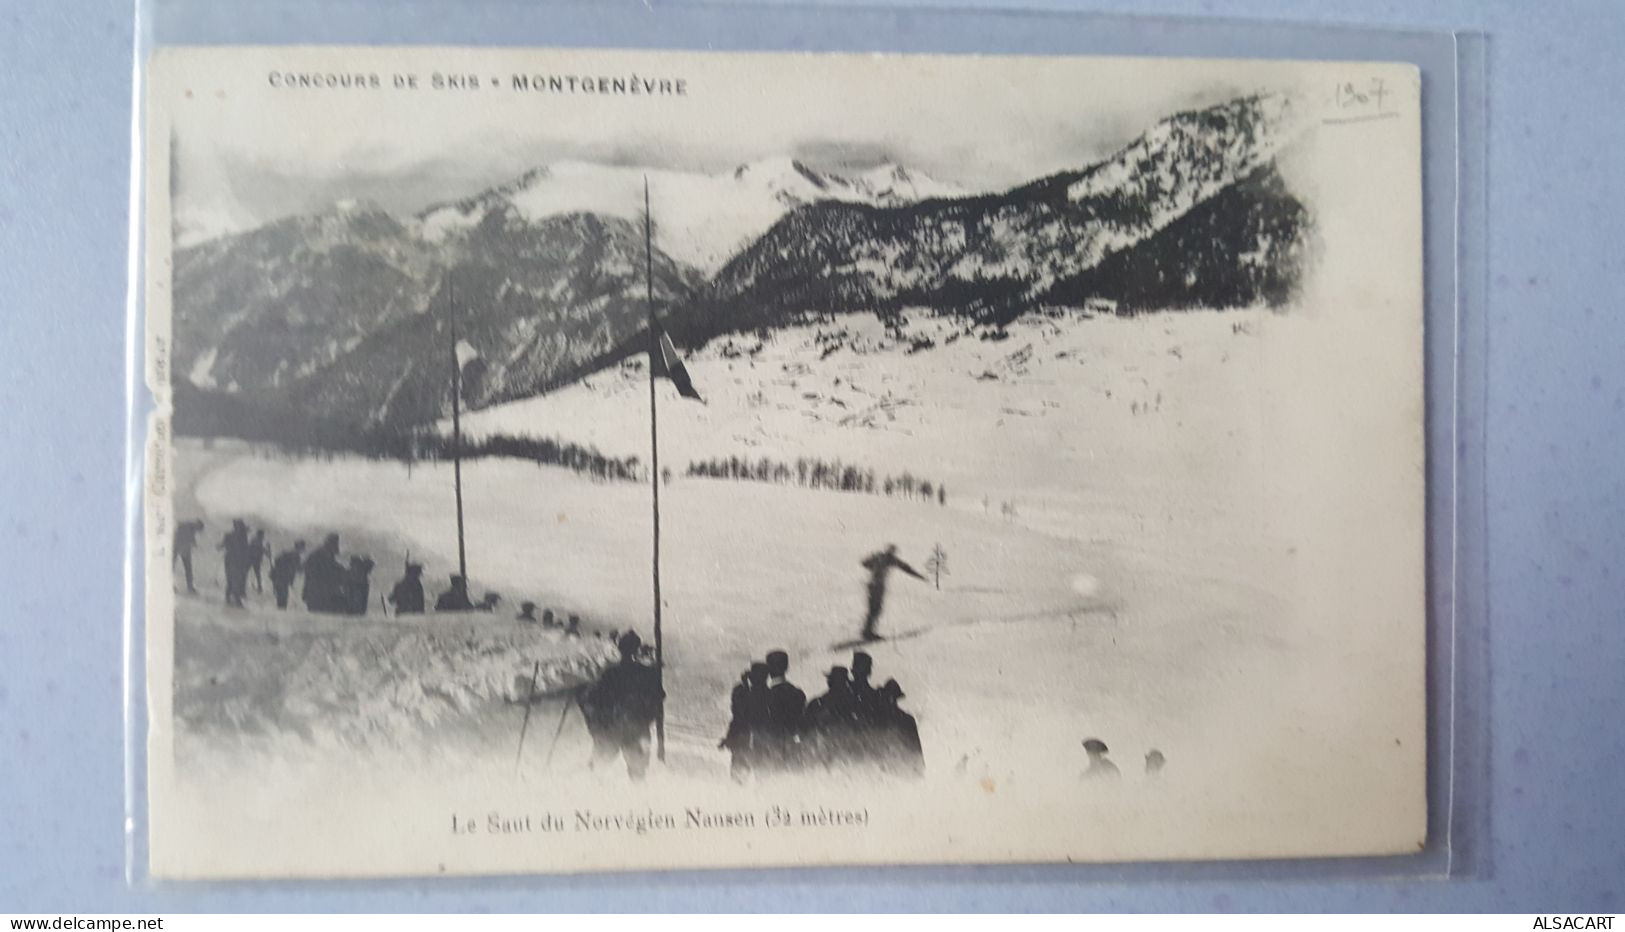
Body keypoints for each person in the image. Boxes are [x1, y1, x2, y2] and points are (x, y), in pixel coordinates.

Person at [581, 631, 664, 782]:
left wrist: (598, 723)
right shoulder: (648, 673)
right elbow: (659, 697)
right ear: (637, 650)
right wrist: (647, 718)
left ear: (619, 649)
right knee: (638, 774)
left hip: (612, 727)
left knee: (597, 770)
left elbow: (593, 700)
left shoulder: (611, 673)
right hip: (638, 727)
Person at [859, 544, 927, 641]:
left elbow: (864, 563)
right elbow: (906, 568)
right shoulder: (891, 559)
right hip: (878, 586)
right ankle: (868, 632)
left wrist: (873, 561)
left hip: (872, 585)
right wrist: (920, 576)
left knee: (874, 609)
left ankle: (867, 631)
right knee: (876, 609)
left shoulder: (880, 557)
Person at [803, 666, 862, 772]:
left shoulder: (818, 702)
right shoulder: (856, 702)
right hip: (851, 752)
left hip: (825, 751)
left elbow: (806, 727)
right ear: (845, 682)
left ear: (830, 682)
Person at [718, 662, 770, 783]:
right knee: (763, 781)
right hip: (763, 744)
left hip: (742, 743)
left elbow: (737, 718)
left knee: (738, 782)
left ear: (751, 677)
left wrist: (743, 684)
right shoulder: (770, 694)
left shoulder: (743, 693)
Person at [758, 649, 806, 774]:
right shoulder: (798, 693)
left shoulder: (764, 696)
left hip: (769, 750)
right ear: (787, 668)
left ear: (768, 670)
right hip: (792, 748)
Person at [872, 679, 924, 779]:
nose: (889, 700)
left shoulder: (880, 719)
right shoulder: (906, 719)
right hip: (892, 768)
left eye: (891, 697)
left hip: (894, 767)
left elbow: (915, 748)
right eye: (888, 697)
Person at [301, 533, 344, 613]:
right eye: (335, 543)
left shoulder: (324, 553)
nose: (336, 545)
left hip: (317, 594)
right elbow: (326, 569)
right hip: (317, 594)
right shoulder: (320, 554)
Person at [218, 519, 252, 608]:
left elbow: (222, 545)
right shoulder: (241, 536)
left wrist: (221, 546)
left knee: (232, 578)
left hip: (233, 560)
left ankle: (229, 597)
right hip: (234, 560)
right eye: (241, 526)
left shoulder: (236, 535)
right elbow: (245, 549)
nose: (241, 529)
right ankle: (236, 599)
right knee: (235, 579)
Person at [268, 539, 305, 610]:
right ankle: (281, 611)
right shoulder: (295, 555)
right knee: (283, 597)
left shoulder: (287, 552)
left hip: (278, 577)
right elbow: (298, 569)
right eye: (302, 548)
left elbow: (276, 560)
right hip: (283, 578)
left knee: (281, 596)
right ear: (300, 547)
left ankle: (280, 610)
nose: (303, 550)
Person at [172, 519, 204, 594]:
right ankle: (189, 587)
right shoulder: (187, 527)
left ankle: (189, 586)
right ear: (197, 525)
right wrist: (193, 544)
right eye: (199, 529)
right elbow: (187, 538)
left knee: (185, 568)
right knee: (187, 568)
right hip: (178, 548)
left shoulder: (188, 526)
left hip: (180, 548)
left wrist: (194, 544)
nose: (198, 531)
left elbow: (190, 539)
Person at [247, 529, 269, 594]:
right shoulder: (258, 541)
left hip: (251, 559)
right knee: (257, 574)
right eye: (262, 535)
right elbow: (262, 549)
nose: (263, 536)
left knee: (247, 572)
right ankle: (259, 587)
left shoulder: (254, 540)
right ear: (260, 535)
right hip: (255, 560)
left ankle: (259, 587)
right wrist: (267, 552)